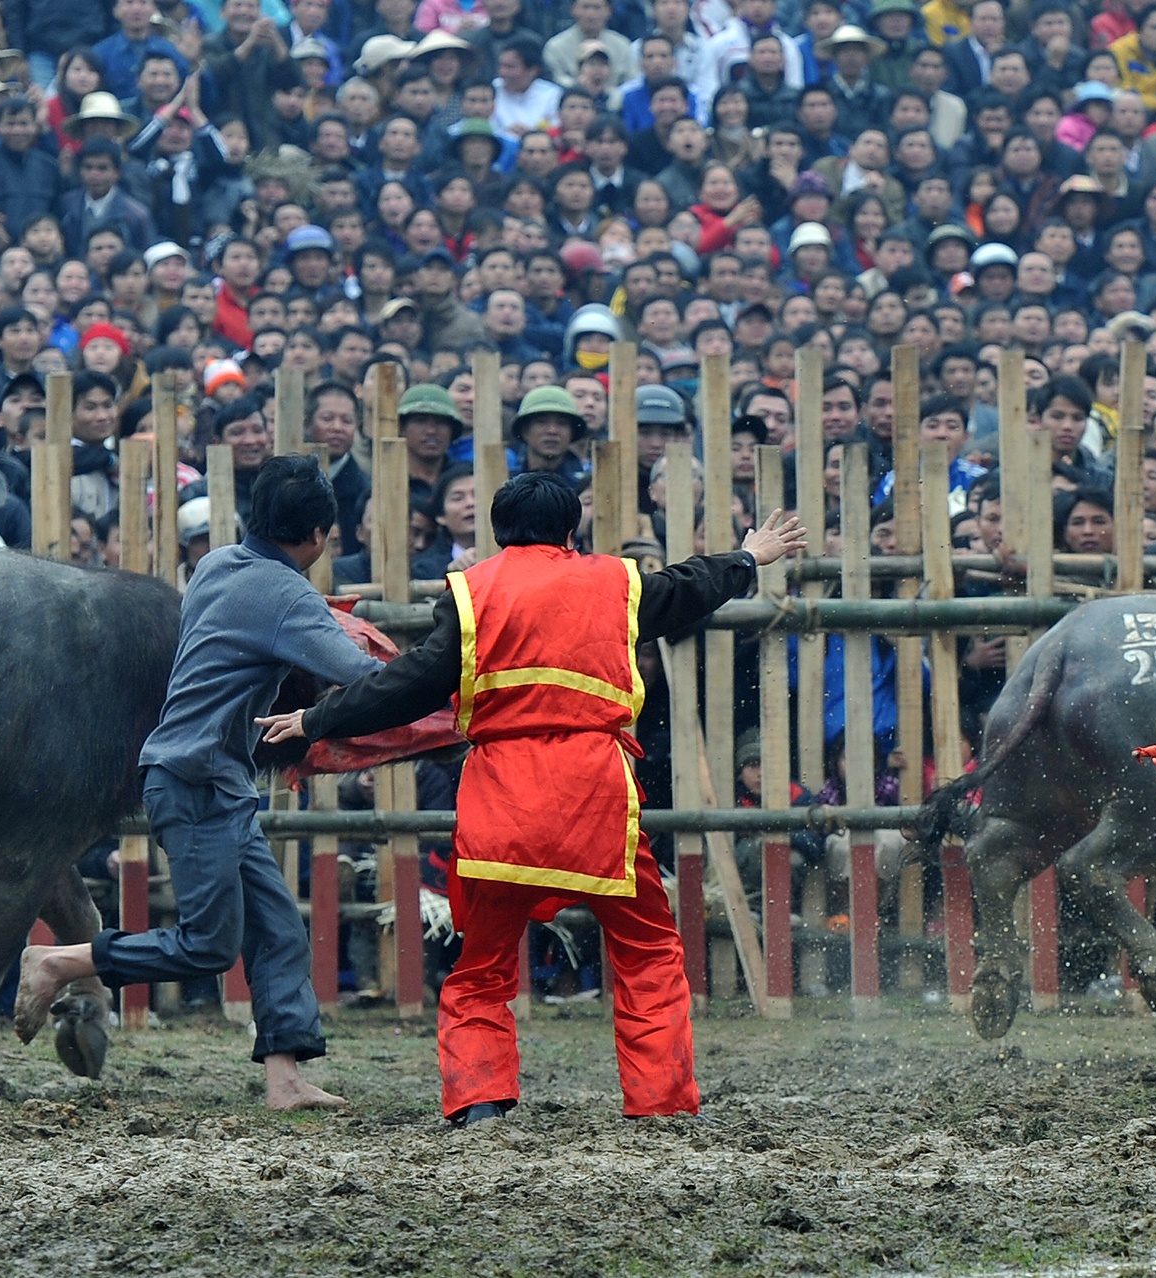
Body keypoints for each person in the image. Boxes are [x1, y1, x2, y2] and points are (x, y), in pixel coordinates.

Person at [255, 472, 808, 1123]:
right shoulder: (617, 582)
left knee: (483, 963)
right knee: (647, 952)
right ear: (572, 529)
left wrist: (317, 719)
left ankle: (478, 1101)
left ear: (498, 531)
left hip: (502, 798)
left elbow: (408, 684)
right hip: (597, 795)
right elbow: (688, 587)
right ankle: (660, 1103)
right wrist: (749, 557)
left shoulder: (470, 592)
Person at [12, 455, 381, 1112]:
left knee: (278, 931)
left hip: (214, 781)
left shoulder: (217, 565)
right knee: (207, 944)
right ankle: (58, 963)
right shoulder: (286, 595)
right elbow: (361, 675)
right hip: (196, 781)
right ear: (319, 535)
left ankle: (285, 1079)